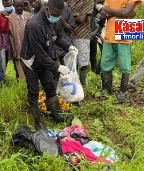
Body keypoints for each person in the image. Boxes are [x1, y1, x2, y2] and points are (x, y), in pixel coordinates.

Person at [21, 0, 76, 130]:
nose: (57, 18)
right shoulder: (34, 25)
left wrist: (69, 47)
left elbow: (59, 37)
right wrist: (57, 67)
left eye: (59, 15)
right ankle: (37, 121)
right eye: (55, 14)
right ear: (48, 9)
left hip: (45, 59)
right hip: (31, 61)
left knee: (50, 86)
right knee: (33, 91)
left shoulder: (55, 20)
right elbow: (39, 53)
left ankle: (55, 114)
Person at [100, 0, 142, 99]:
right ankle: (106, 88)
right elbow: (102, 14)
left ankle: (122, 90)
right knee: (105, 63)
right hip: (109, 36)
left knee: (124, 65)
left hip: (124, 34)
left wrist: (108, 10)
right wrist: (121, 12)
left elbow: (126, 12)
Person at [67, 0, 94, 86]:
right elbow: (64, 15)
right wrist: (76, 14)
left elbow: (81, 19)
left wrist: (71, 15)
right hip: (69, 34)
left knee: (83, 63)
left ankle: (82, 85)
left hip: (82, 35)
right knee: (71, 62)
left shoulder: (88, 1)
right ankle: (73, 85)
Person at [9, 0, 32, 79]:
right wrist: (14, 50)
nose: (19, 8)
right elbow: (10, 35)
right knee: (20, 72)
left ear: (23, 5)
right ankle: (23, 87)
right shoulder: (10, 18)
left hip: (30, 48)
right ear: (13, 5)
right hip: (18, 48)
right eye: (17, 6)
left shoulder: (29, 15)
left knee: (31, 71)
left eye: (20, 5)